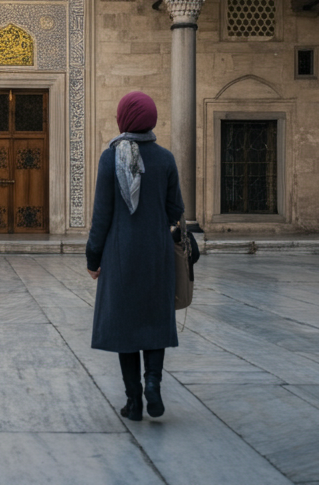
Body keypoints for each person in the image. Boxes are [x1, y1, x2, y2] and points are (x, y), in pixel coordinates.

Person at [85, 90, 184, 421]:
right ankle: (153, 384)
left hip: (120, 255)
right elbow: (176, 210)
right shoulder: (166, 159)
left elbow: (102, 216)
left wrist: (92, 258)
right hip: (156, 253)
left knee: (126, 327)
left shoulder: (109, 158)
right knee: (154, 320)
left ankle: (133, 402)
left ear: (124, 118)